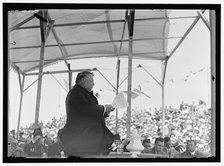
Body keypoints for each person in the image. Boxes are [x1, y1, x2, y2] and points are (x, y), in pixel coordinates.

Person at [58, 71, 115, 157]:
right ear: (82, 80)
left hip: (88, 142)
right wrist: (104, 108)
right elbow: (87, 109)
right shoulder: (75, 94)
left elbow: (90, 114)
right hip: (81, 141)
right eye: (91, 80)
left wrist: (106, 111)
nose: (93, 83)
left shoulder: (82, 93)